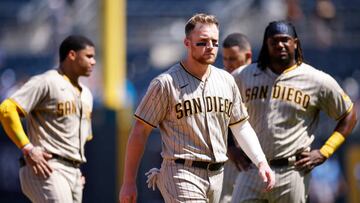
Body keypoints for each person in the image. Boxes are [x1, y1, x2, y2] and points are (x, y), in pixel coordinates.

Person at [119, 13, 275, 203]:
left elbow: (240, 126)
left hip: (217, 174)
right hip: (181, 171)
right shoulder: (166, 83)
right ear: (187, 43)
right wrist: (128, 182)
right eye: (202, 42)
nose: (210, 47)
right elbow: (139, 131)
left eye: (214, 42)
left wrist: (260, 161)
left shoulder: (226, 80)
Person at [231, 20, 357, 203]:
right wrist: (230, 147)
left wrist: (325, 151)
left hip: (292, 171)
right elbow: (222, 109)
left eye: (285, 40)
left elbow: (349, 115)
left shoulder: (316, 79)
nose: (280, 45)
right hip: (253, 169)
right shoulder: (243, 76)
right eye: (274, 41)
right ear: (266, 44)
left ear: (295, 43)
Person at [0, 35, 96, 203]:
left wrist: (75, 170)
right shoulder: (46, 81)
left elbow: (81, 138)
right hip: (47, 167)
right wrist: (28, 148)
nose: (93, 61)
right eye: (88, 56)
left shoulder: (87, 95)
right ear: (72, 55)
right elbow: (7, 109)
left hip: (72, 172)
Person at [220, 32, 253, 203]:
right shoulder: (222, 81)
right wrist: (229, 146)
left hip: (261, 157)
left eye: (232, 58)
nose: (227, 64)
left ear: (248, 56)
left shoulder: (260, 80)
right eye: (225, 59)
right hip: (230, 159)